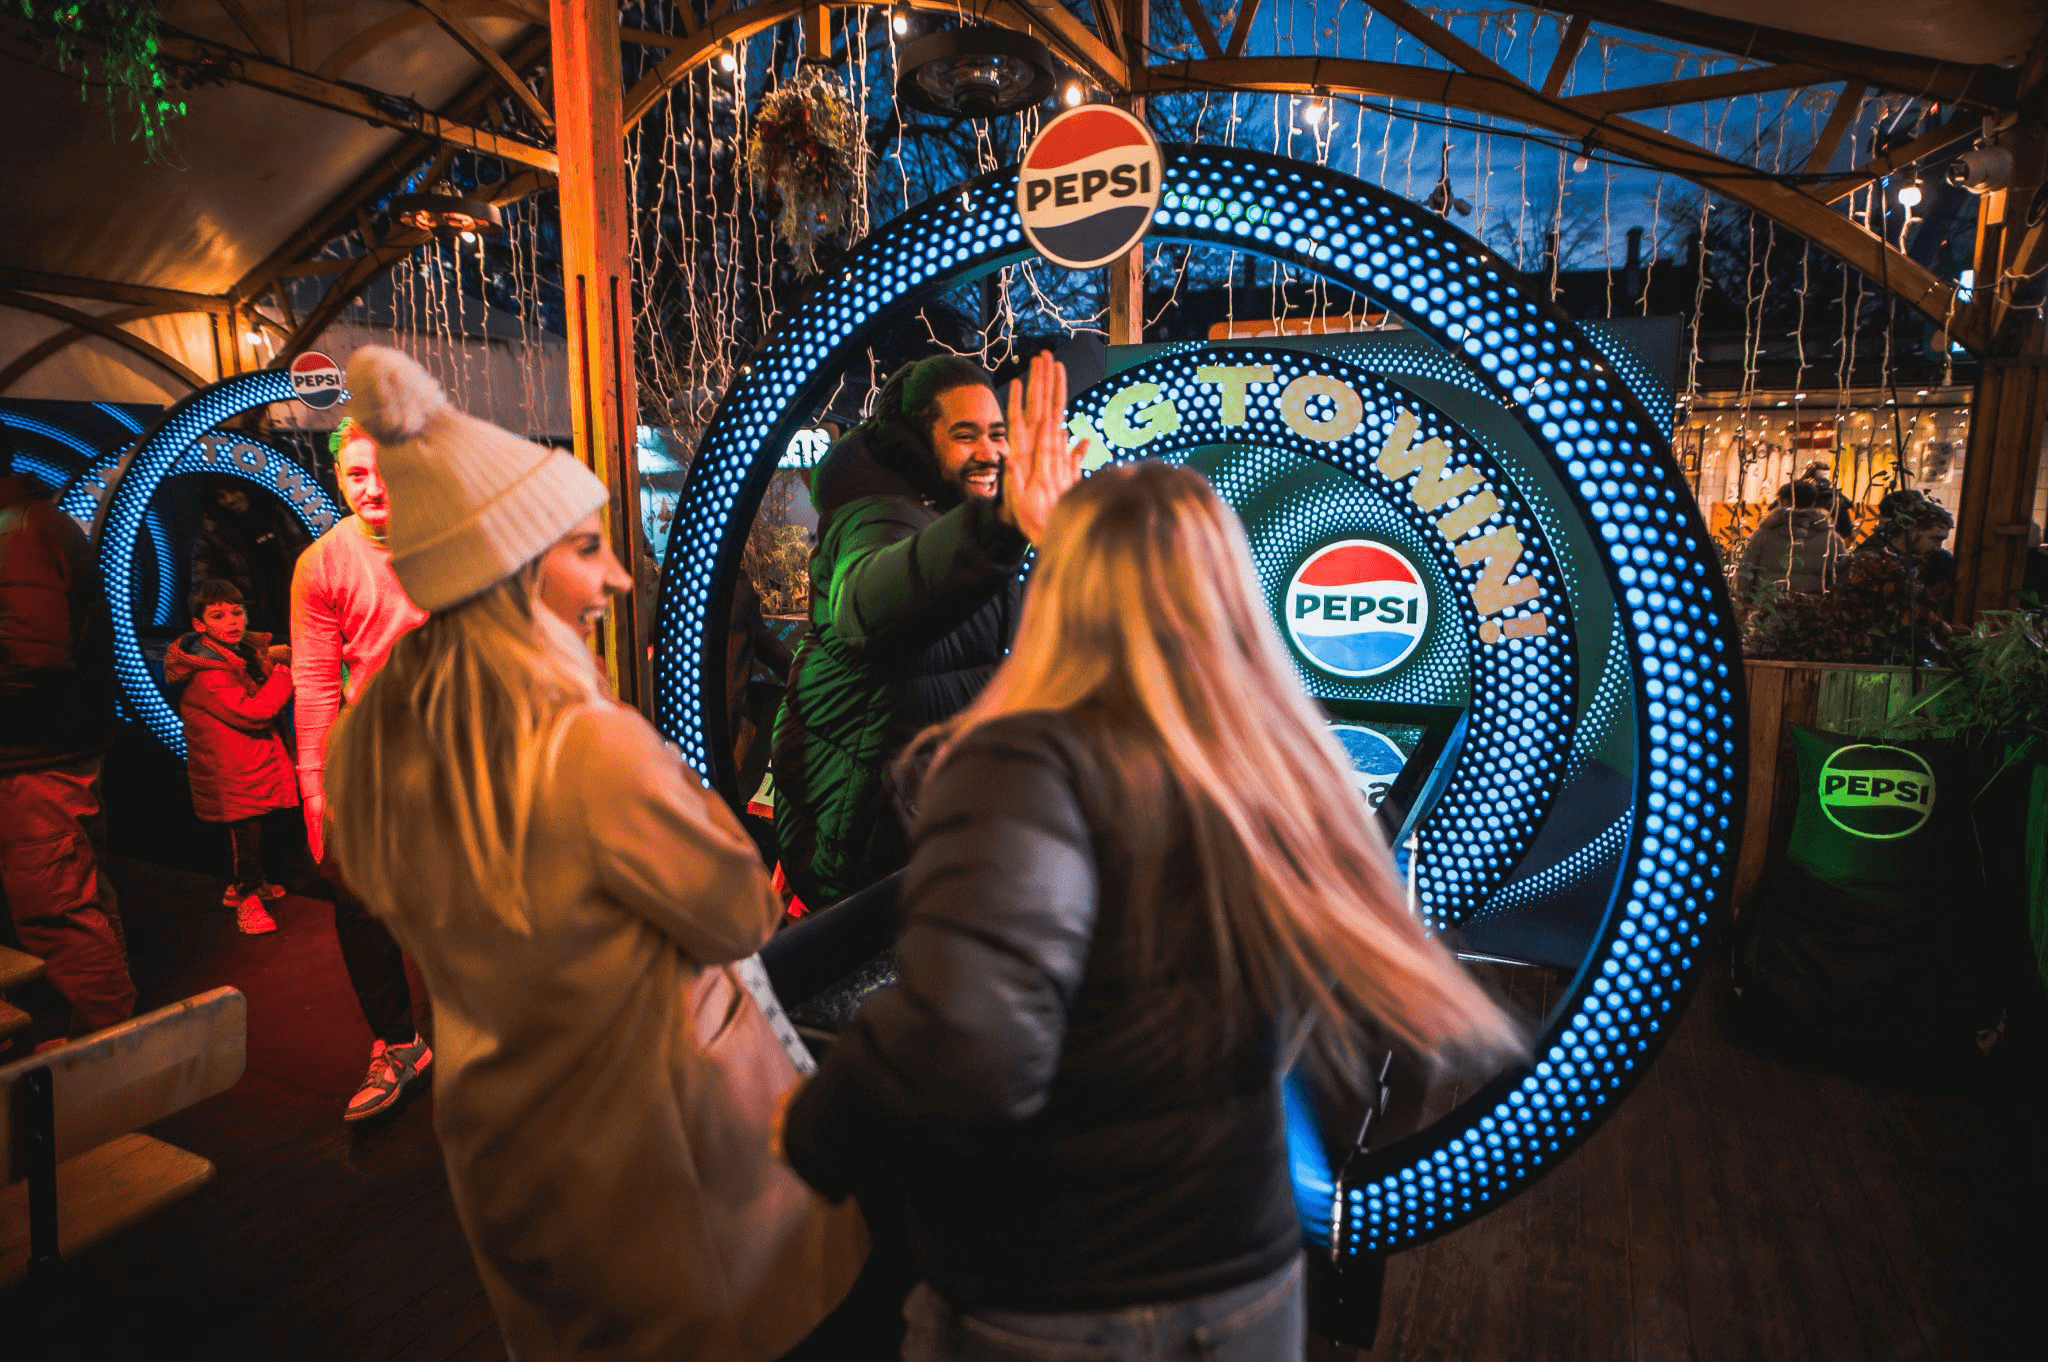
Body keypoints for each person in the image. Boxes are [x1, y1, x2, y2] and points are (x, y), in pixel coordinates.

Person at [779, 460, 1524, 1362]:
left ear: (1062, 588)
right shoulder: (1287, 762)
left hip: (1056, 1289)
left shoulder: (1021, 760)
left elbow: (973, 1046)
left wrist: (817, 1127)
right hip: (1247, 1278)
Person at [325, 346, 864, 1361]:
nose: (617, 577)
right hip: (662, 1156)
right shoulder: (584, 745)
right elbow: (738, 913)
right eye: (584, 550)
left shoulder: (377, 733)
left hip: (511, 1148)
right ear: (513, 576)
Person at [773, 353, 1078, 909]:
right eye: (965, 436)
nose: (989, 452)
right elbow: (868, 602)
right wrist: (1004, 522)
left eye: (997, 434)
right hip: (864, 847)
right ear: (914, 438)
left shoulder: (947, 510)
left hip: (919, 831)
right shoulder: (878, 513)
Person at [291, 417, 433, 1120]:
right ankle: (399, 1044)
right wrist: (313, 789)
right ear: (339, 476)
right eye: (356, 474)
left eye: (387, 471)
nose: (373, 488)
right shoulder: (321, 563)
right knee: (357, 898)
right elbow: (314, 684)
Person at [0, 470, 137, 1039]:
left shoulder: (17, 530)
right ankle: (112, 1037)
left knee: (58, 909)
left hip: (34, 756)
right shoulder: (26, 520)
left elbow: (34, 661)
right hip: (50, 749)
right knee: (79, 896)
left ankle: (106, 1057)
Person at [164, 580, 298, 936]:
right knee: (246, 833)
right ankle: (247, 899)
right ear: (199, 625)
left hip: (247, 760)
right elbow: (253, 711)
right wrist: (285, 676)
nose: (232, 621)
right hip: (232, 767)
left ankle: (244, 885)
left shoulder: (238, 652)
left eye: (237, 612)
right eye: (218, 615)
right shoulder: (209, 674)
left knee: (253, 831)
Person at [1735, 477, 1847, 602]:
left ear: (1785, 502)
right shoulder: (1832, 540)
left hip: (1768, 609)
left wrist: (1744, 601)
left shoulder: (1763, 535)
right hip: (1812, 611)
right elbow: (1841, 579)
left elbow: (1745, 572)